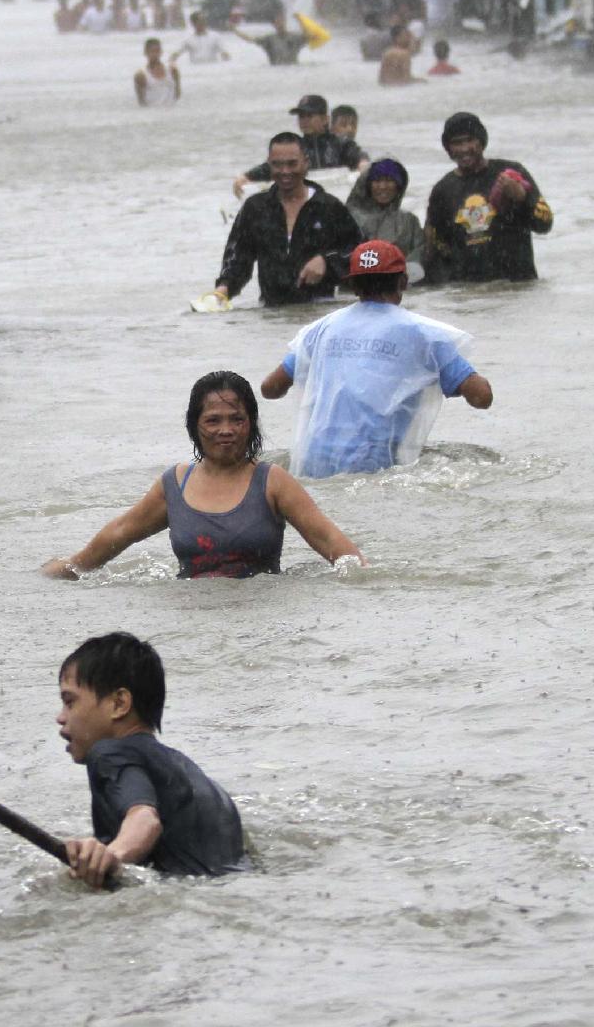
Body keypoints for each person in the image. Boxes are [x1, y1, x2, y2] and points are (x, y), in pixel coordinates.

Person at [40, 370, 361, 581]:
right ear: (194, 426)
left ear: (251, 424)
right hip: (191, 617)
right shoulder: (173, 486)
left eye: (237, 419)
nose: (226, 430)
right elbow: (116, 536)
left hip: (261, 616)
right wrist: (58, 573)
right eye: (213, 421)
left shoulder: (274, 482)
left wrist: (368, 581)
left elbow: (334, 545)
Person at [260, 241, 493, 475]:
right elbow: (481, 397)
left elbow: (270, 388)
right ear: (403, 281)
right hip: (373, 467)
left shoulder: (321, 329)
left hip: (311, 464)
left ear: (352, 285)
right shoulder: (424, 334)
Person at [54, 633, 247, 888]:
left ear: (119, 703)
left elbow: (145, 819)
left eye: (70, 702)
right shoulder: (193, 775)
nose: (61, 717)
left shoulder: (107, 754)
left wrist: (113, 855)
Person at [211, 133, 362, 307]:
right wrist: (221, 292)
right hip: (271, 314)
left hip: (321, 309)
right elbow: (237, 259)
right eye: (277, 165)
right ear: (269, 165)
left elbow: (359, 253)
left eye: (292, 164)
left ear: (306, 162)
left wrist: (326, 261)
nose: (285, 171)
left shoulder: (329, 207)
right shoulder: (255, 208)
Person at [422, 111, 553, 284]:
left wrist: (522, 197)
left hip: (519, 289)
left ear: (482, 141)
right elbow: (436, 250)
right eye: (456, 143)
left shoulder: (512, 173)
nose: (464, 148)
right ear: (448, 148)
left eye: (470, 140)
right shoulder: (443, 190)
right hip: (470, 295)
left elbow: (545, 224)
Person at [233, 95, 367, 196]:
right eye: (301, 116)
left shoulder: (340, 144)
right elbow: (270, 167)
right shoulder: (293, 149)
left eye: (309, 115)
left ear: (325, 119)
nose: (304, 120)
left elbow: (359, 157)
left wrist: (363, 164)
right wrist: (246, 177)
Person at [344, 159, 424, 280]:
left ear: (399, 185)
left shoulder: (409, 221)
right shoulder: (348, 217)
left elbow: (418, 256)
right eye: (377, 180)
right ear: (367, 184)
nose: (383, 187)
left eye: (389, 181)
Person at [134, 38, 181, 107]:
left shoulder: (172, 71)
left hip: (171, 110)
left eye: (157, 51)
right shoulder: (141, 75)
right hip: (153, 111)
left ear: (161, 52)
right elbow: (141, 102)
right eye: (152, 51)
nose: (155, 54)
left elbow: (177, 94)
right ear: (145, 53)